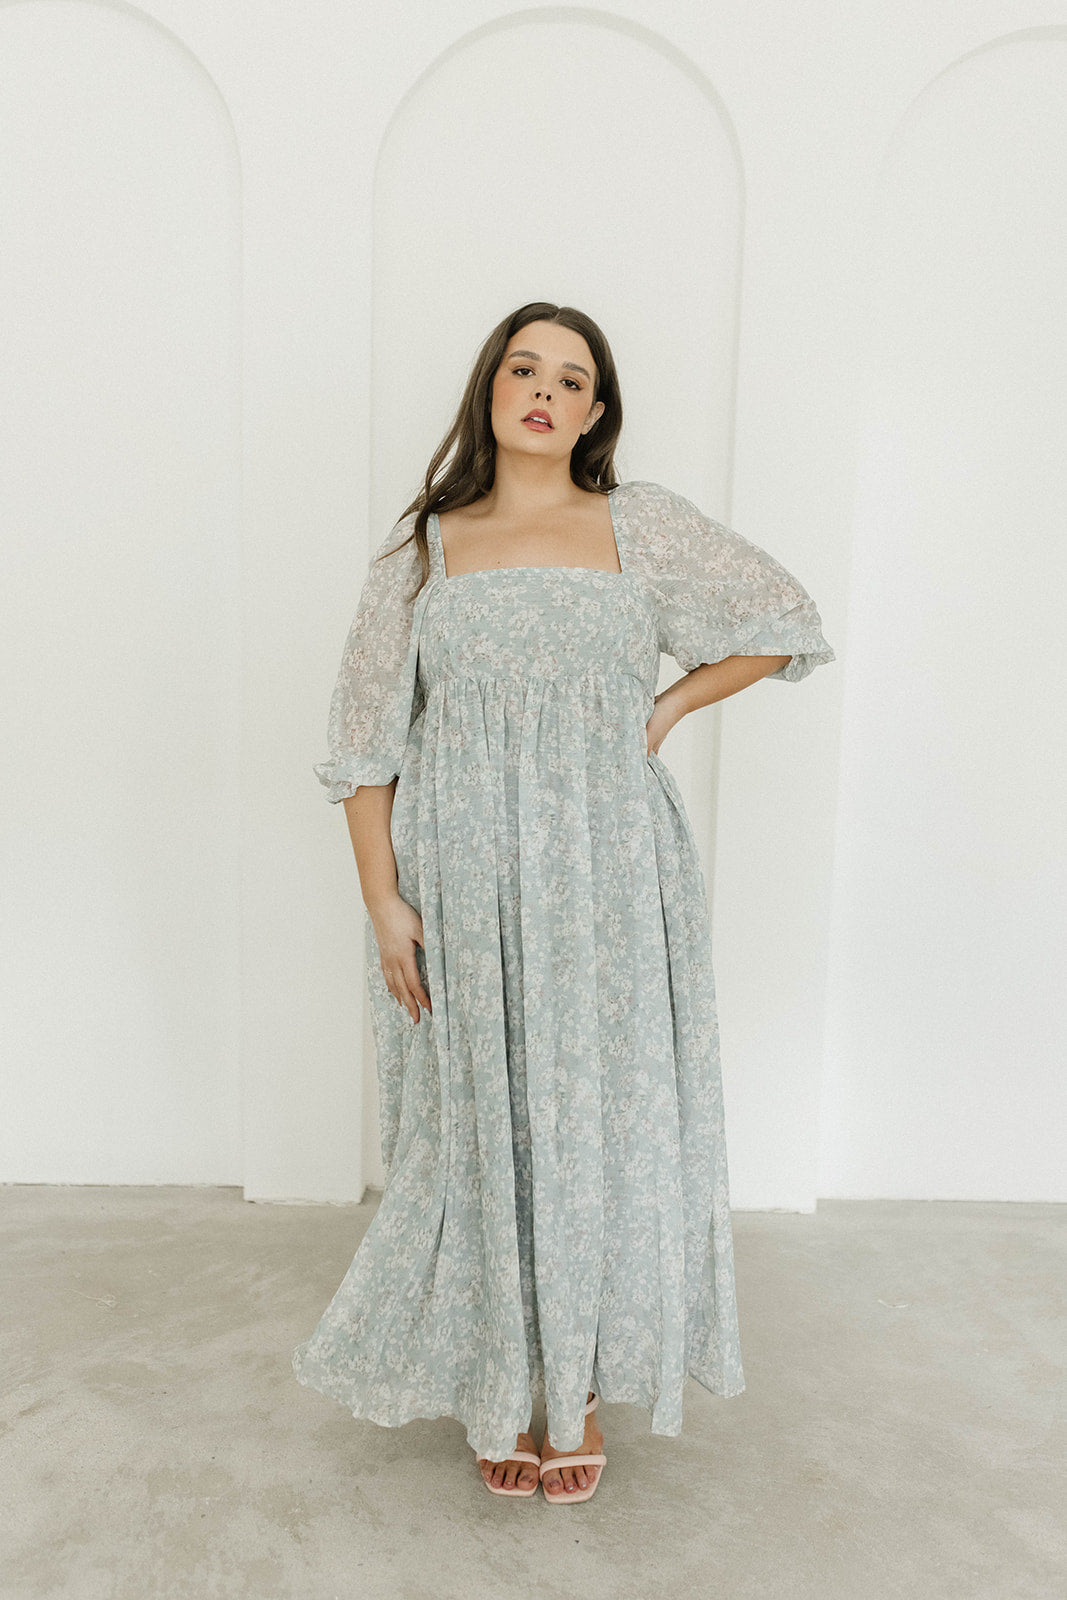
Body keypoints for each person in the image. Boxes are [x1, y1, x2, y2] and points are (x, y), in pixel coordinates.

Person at [292, 301, 835, 1504]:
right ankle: (499, 1374)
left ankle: (575, 1382)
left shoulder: (639, 524)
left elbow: (783, 618)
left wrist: (667, 705)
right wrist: (383, 900)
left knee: (600, 1123)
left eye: (569, 378)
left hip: (609, 871)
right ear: (489, 389)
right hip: (461, 873)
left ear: (594, 412)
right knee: (481, 1124)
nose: (542, 391)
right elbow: (365, 739)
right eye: (522, 368)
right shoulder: (424, 548)